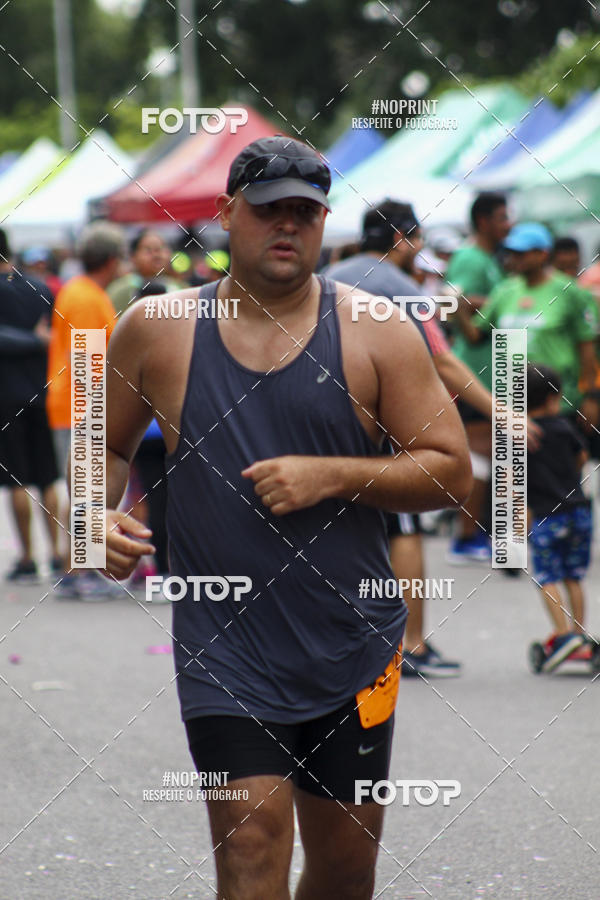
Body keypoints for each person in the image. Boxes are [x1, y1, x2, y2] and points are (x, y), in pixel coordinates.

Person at [100, 136, 472, 898]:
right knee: (252, 847)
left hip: (353, 645)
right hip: (224, 646)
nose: (288, 227)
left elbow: (451, 470)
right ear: (226, 213)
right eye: (270, 211)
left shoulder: (377, 328)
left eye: (305, 213)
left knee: (344, 870)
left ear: (325, 222)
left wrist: (332, 475)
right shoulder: (154, 327)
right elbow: (96, 450)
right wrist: (87, 521)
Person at [324, 199, 495, 678]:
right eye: (416, 239)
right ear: (401, 238)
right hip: (380, 428)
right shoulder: (400, 288)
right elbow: (441, 361)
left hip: (319, 426)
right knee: (404, 529)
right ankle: (409, 644)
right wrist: (498, 409)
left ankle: (350, 636)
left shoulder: (331, 275)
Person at [455, 222, 599, 430]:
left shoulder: (570, 292)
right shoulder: (504, 292)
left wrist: (592, 398)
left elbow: (587, 349)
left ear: (542, 254)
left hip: (559, 406)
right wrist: (459, 309)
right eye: (511, 252)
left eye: (521, 253)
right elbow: (476, 337)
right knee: (513, 463)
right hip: (513, 408)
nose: (514, 258)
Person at [47, 222, 124, 598]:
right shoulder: (88, 298)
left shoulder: (80, 291)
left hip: (73, 404)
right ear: (112, 261)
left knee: (82, 490)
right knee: (87, 491)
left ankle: (74, 570)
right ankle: (82, 573)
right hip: (82, 406)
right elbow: (88, 361)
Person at [446, 192, 511, 562]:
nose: (508, 224)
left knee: (490, 455)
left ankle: (480, 533)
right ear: (484, 221)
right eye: (503, 217)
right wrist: (494, 304)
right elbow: (450, 299)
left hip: (490, 372)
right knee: (481, 456)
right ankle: (466, 537)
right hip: (474, 373)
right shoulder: (470, 257)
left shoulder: (489, 259)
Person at [0, 229, 61, 581]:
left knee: (17, 480)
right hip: (42, 391)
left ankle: (26, 558)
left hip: (5, 397)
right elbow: (51, 337)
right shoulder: (40, 287)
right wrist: (35, 342)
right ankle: (54, 553)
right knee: (47, 476)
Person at [526, 364, 592, 671]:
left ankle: (564, 636)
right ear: (556, 398)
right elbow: (581, 457)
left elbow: (515, 480)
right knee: (573, 575)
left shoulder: (524, 435)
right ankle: (580, 635)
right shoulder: (567, 427)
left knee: (547, 576)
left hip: (546, 517)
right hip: (578, 512)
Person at [107, 228, 180, 316]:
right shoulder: (120, 291)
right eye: (148, 250)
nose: (156, 255)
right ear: (133, 257)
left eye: (160, 248)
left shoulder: (180, 288)